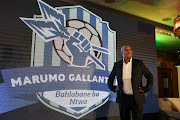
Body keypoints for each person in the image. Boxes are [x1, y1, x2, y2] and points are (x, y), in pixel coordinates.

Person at [108, 45, 153, 120]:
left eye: (130, 49)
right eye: (126, 50)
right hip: (123, 98)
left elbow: (150, 76)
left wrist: (146, 88)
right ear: (122, 53)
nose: (129, 51)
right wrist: (113, 88)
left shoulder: (139, 63)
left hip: (136, 98)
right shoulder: (117, 65)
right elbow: (110, 78)